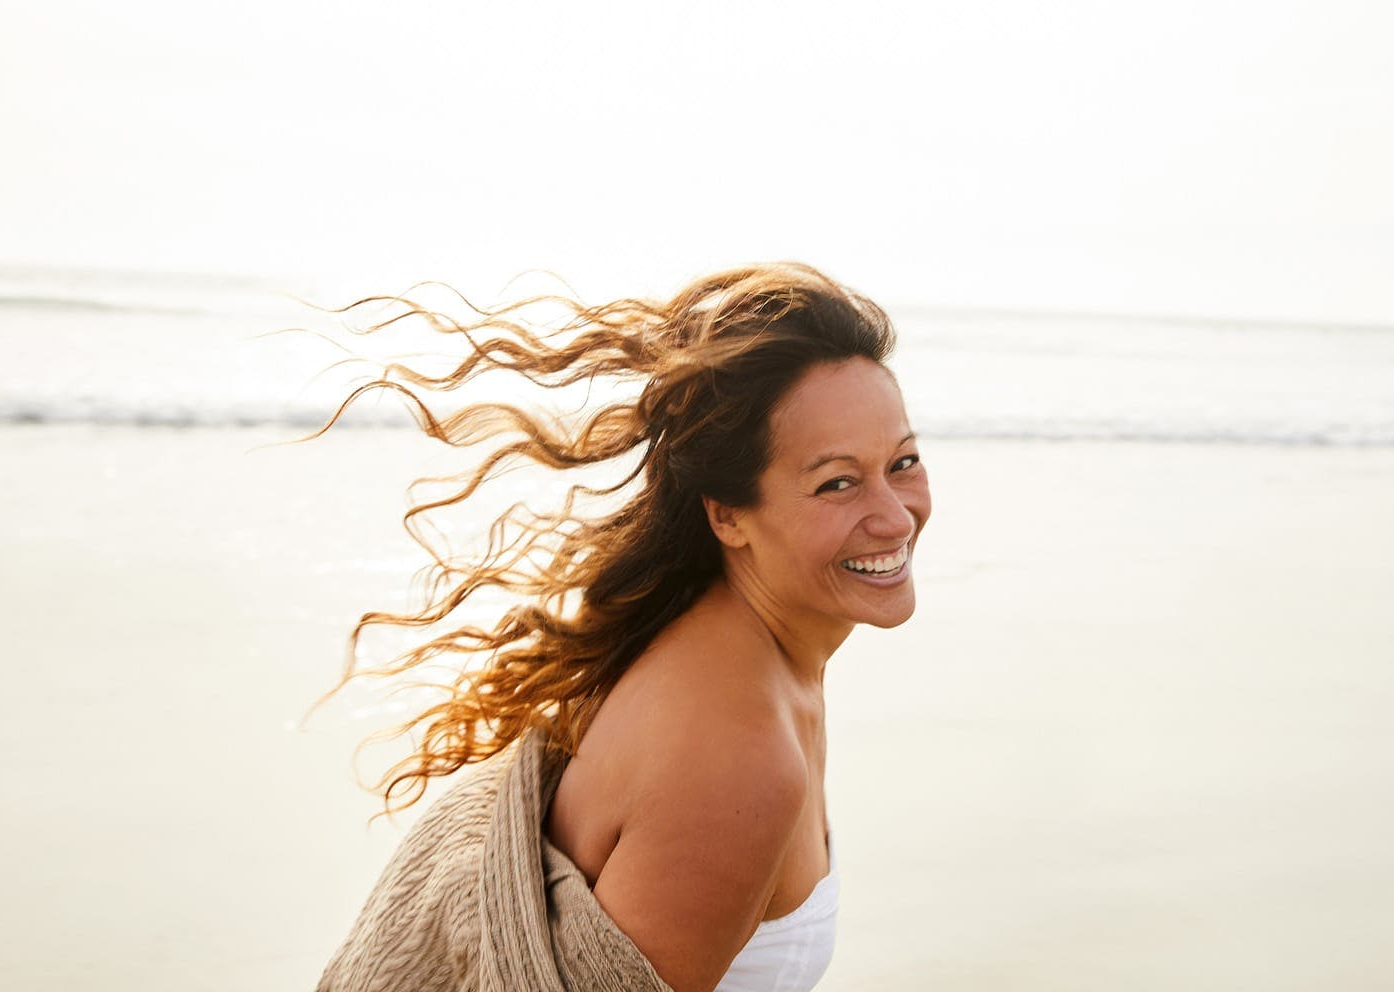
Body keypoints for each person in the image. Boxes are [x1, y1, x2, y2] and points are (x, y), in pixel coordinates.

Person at [308, 262, 932, 992]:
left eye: (904, 462)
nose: (894, 515)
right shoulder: (737, 755)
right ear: (727, 514)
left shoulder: (738, 659)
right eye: (837, 482)